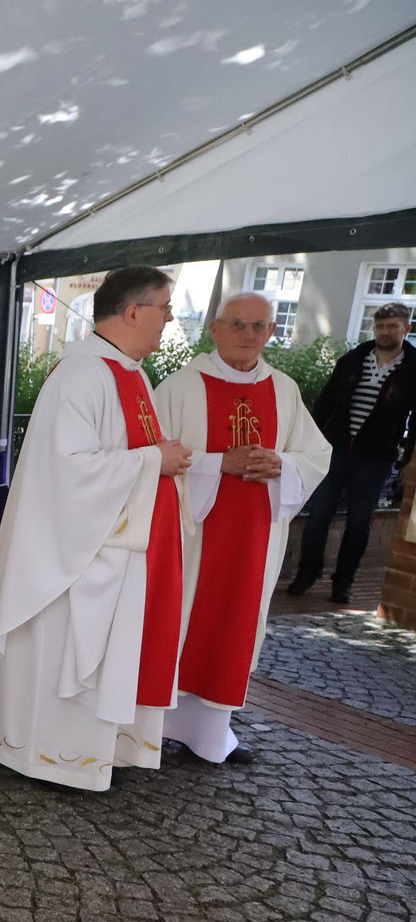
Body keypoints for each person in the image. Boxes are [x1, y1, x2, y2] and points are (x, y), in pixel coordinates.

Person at [0, 266, 190, 792]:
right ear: (133, 312)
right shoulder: (82, 374)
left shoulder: (133, 374)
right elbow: (66, 470)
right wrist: (152, 461)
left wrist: (160, 459)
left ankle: (101, 752)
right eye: (164, 308)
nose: (169, 319)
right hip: (74, 556)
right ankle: (51, 758)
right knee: (64, 651)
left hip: (118, 548)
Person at [154, 293, 331, 764]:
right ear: (214, 329)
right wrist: (219, 464)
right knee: (180, 619)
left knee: (235, 624)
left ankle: (211, 735)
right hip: (191, 536)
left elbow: (317, 455)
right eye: (237, 324)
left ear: (272, 332)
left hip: (256, 536)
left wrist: (283, 463)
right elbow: (152, 455)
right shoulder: (181, 387)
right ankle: (152, 727)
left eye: (258, 326)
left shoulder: (284, 390)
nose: (247, 335)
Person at [287, 302, 415, 603]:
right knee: (317, 517)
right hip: (335, 452)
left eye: (392, 326)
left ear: (406, 329)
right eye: (380, 326)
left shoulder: (413, 369)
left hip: (376, 459)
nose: (385, 332)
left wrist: (408, 460)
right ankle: (307, 574)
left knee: (359, 524)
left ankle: (343, 582)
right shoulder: (353, 360)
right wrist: (308, 443)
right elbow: (325, 403)